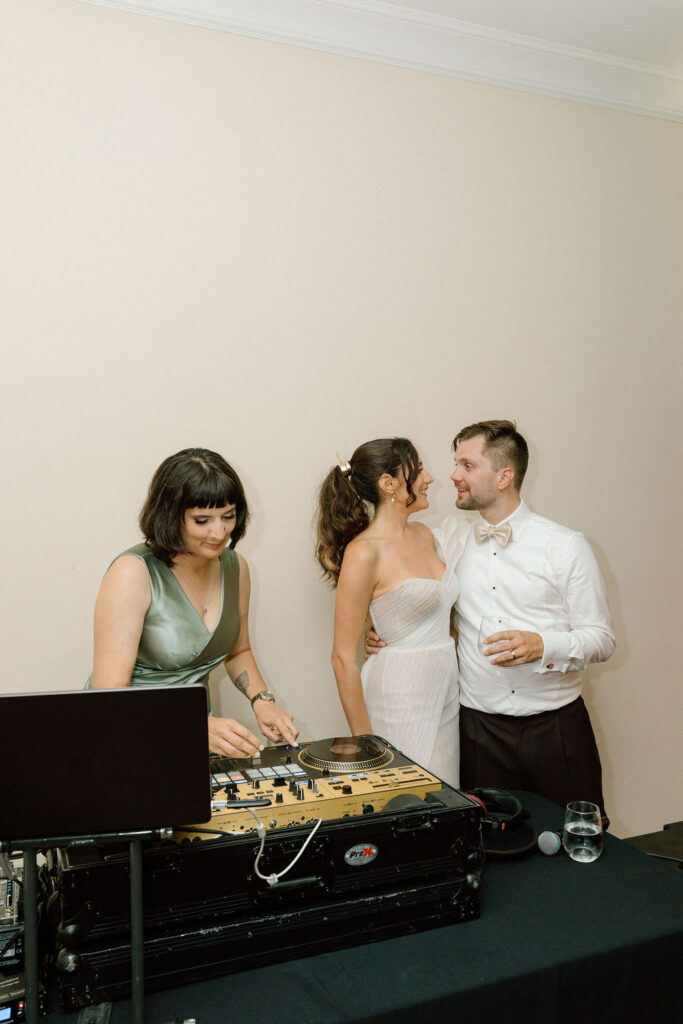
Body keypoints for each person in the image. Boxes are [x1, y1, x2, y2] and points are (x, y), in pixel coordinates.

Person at [368, 421, 615, 821]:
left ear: (504, 476)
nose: (454, 475)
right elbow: (402, 578)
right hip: (477, 733)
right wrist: (386, 626)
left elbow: (601, 638)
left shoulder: (566, 546)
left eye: (467, 465)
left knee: (577, 837)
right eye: (456, 463)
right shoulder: (448, 540)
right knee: (486, 845)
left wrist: (544, 645)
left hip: (556, 729)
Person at [88, 448, 299, 757]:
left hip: (193, 732)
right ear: (171, 517)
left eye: (228, 516)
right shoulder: (132, 573)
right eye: (202, 520)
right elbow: (109, 694)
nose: (219, 532)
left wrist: (262, 702)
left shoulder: (236, 567)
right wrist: (192, 725)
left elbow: (238, 650)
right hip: (127, 732)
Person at [315, 438, 460, 788]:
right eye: (419, 470)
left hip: (446, 690)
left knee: (448, 797)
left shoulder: (426, 535)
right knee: (405, 798)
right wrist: (367, 746)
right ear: (388, 483)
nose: (429, 478)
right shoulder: (364, 552)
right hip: (399, 695)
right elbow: (341, 659)